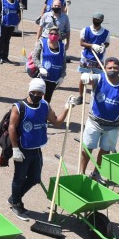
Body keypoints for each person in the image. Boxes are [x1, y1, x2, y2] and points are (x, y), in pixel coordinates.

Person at [7, 79, 70, 220]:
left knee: (35, 178)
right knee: (19, 178)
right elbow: (11, 127)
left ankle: (14, 197)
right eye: (34, 92)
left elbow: (57, 122)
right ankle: (16, 203)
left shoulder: (45, 105)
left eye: (40, 93)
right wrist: (15, 149)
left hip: (36, 149)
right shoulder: (19, 107)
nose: (37, 95)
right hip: (22, 149)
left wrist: (67, 107)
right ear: (29, 90)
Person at [78, 57, 119, 181]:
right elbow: (83, 80)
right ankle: (81, 173)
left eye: (115, 68)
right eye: (109, 68)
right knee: (88, 148)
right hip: (94, 122)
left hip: (113, 126)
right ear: (104, 68)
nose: (112, 70)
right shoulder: (99, 79)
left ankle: (96, 173)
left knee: (105, 151)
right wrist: (84, 79)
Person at [75, 12, 110, 103]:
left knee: (98, 79)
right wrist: (92, 46)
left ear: (101, 21)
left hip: (99, 59)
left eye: (98, 20)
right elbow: (82, 43)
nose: (96, 21)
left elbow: (107, 43)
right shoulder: (85, 30)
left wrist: (103, 47)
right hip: (86, 58)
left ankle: (95, 96)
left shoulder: (106, 33)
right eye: (95, 19)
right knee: (83, 78)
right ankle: (80, 96)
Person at [32, 25, 66, 102]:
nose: (53, 35)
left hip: (54, 78)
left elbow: (63, 62)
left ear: (59, 36)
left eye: (55, 34)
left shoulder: (62, 46)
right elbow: (34, 57)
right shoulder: (42, 43)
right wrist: (40, 67)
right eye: (51, 33)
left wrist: (62, 76)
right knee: (36, 98)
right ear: (48, 34)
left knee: (47, 100)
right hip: (42, 76)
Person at [0, 0, 21, 64]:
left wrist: (17, 21)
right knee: (1, 40)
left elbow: (18, 12)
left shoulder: (16, 1)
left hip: (11, 24)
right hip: (3, 24)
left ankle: (5, 56)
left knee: (7, 41)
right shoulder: (2, 1)